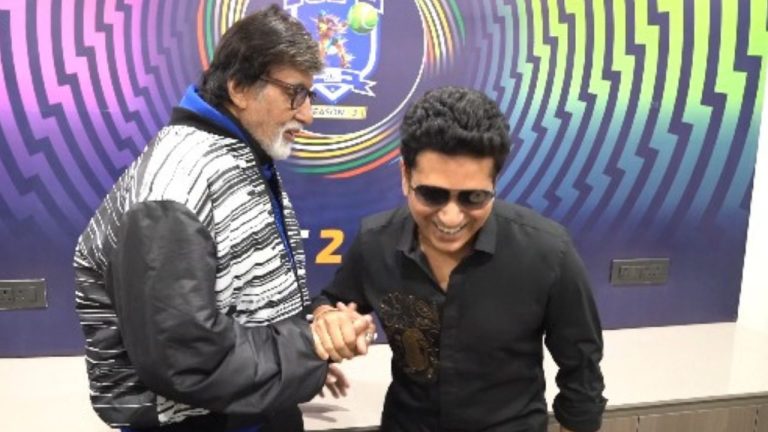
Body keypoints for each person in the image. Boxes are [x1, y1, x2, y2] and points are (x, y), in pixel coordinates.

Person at [73, 5, 372, 432]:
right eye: (295, 94)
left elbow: (250, 302)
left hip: (249, 408)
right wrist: (309, 352)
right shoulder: (174, 186)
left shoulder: (239, 155)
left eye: (310, 95)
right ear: (239, 88)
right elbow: (186, 357)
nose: (307, 114)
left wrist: (306, 355)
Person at [311, 86, 607, 431]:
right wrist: (329, 319)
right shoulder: (375, 241)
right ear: (405, 176)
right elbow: (330, 303)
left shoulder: (548, 252)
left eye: (473, 197)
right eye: (432, 194)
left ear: (495, 184)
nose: (451, 217)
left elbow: (582, 376)